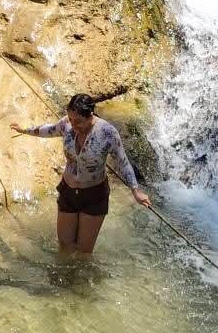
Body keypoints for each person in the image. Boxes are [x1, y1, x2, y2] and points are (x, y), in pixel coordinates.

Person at [11, 93, 151, 257]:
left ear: (90, 115)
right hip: (68, 192)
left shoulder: (107, 133)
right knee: (65, 246)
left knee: (83, 252)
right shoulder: (66, 124)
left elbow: (122, 161)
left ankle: (80, 282)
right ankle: (61, 281)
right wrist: (24, 130)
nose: (73, 124)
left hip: (94, 196)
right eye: (70, 119)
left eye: (78, 121)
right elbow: (49, 130)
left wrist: (136, 191)